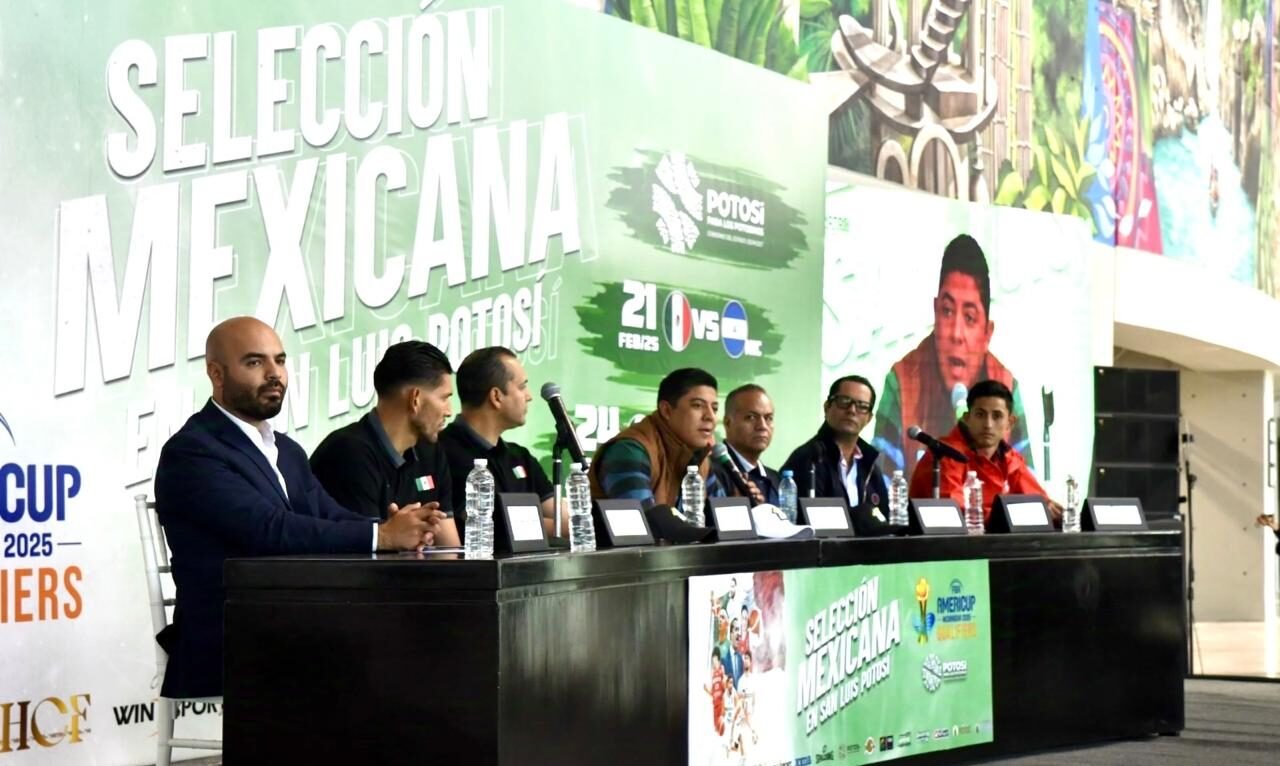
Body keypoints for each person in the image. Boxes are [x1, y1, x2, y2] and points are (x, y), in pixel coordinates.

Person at [153, 317, 443, 698]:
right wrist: (381, 536)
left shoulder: (286, 450)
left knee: (419, 640)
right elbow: (269, 530)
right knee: (387, 654)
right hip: (230, 637)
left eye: (280, 360)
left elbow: (329, 514)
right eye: (255, 362)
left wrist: (393, 529)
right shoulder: (193, 451)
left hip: (297, 622)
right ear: (216, 374)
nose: (274, 374)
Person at [873, 234, 1031, 478]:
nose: (956, 334)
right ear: (935, 313)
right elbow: (882, 485)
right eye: (947, 311)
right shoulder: (902, 382)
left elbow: (1026, 483)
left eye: (969, 317)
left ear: (987, 333)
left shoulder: (1006, 385)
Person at [309, 340, 460, 546]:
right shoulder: (348, 454)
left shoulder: (431, 451)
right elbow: (366, 550)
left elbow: (449, 550)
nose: (449, 411)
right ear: (415, 399)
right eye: (444, 398)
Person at [438, 346, 565, 540]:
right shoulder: (442, 453)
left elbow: (562, 516)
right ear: (496, 396)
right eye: (522, 387)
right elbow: (494, 524)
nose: (529, 396)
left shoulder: (520, 456)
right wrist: (571, 527)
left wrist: (581, 524)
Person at [909, 379, 1061, 525]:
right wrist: (1017, 515)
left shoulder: (1010, 458)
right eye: (980, 415)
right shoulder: (944, 454)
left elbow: (1040, 503)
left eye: (997, 416)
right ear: (967, 418)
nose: (988, 424)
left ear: (1010, 423)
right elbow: (956, 514)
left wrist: (1053, 512)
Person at [589, 368, 725, 514]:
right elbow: (643, 520)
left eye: (714, 408)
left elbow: (725, 519)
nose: (710, 416)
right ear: (666, 410)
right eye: (697, 405)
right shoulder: (629, 451)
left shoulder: (700, 459)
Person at [781, 375, 892, 535]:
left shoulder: (870, 464)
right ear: (827, 407)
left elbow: (885, 520)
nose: (852, 410)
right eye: (844, 401)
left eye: (862, 406)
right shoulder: (809, 458)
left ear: (869, 418)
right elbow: (805, 524)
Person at [712, 384, 780, 507]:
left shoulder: (776, 478)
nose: (762, 426)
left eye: (768, 418)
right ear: (728, 423)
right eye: (751, 417)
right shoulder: (711, 473)